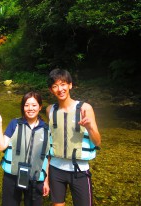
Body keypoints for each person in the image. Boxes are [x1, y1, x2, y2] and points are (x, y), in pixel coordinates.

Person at [46, 68, 101, 206]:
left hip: (79, 170)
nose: (60, 89)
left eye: (63, 84)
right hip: (56, 169)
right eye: (55, 86)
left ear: (70, 85)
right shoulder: (49, 110)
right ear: (51, 90)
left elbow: (97, 142)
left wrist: (89, 127)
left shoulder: (85, 108)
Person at [0, 91, 50, 206]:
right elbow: (2, 146)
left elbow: (48, 157)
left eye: (34, 105)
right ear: (23, 107)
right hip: (13, 176)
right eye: (26, 105)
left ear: (40, 107)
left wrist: (46, 181)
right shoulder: (14, 123)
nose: (30, 108)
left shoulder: (47, 130)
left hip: (35, 178)